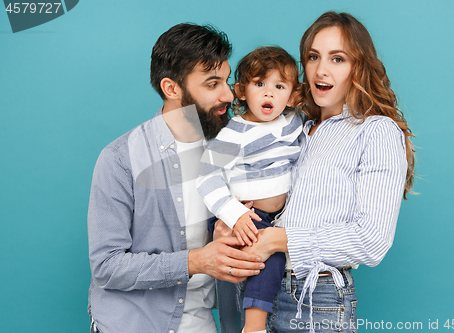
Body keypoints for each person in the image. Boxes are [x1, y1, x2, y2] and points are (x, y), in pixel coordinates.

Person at [234, 12, 416, 333]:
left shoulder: (375, 131)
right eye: (314, 56)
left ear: (358, 67)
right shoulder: (293, 129)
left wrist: (280, 239)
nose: (321, 69)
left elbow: (372, 241)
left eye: (338, 58)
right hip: (255, 287)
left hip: (315, 299)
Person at [87, 23, 265, 333]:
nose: (227, 93)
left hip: (205, 323)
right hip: (134, 324)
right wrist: (195, 261)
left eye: (226, 79)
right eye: (212, 84)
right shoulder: (120, 159)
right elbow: (107, 267)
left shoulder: (234, 149)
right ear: (172, 88)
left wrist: (227, 239)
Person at [196, 46, 303, 333]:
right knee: (267, 261)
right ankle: (252, 327)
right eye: (260, 84)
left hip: (281, 218)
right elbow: (206, 175)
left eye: (279, 86)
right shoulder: (234, 133)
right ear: (242, 91)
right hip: (248, 217)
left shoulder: (294, 122)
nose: (269, 94)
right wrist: (234, 214)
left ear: (293, 95)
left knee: (276, 257)